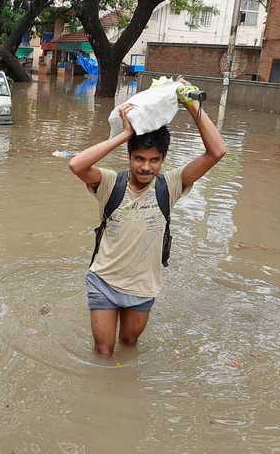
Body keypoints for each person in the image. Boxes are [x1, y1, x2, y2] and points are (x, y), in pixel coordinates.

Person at [68, 86, 227, 358]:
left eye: (154, 160)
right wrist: (125, 135)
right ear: (129, 157)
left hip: (143, 287)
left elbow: (217, 152)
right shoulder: (109, 183)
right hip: (103, 281)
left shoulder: (171, 185)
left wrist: (189, 104)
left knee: (129, 345)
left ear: (163, 160)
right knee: (103, 351)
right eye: (139, 158)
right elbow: (76, 165)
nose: (146, 167)